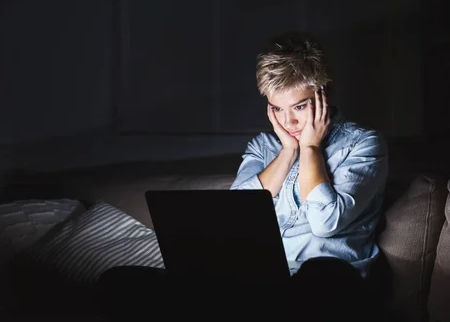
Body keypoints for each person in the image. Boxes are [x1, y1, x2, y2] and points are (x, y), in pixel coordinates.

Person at [97, 32, 389, 321]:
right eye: (277, 109)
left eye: (299, 106)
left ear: (324, 93)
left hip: (328, 286)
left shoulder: (363, 144)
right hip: (260, 287)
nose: (288, 122)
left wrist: (310, 147)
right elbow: (234, 218)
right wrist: (288, 152)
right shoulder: (264, 147)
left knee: (322, 273)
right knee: (119, 282)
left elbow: (326, 223)